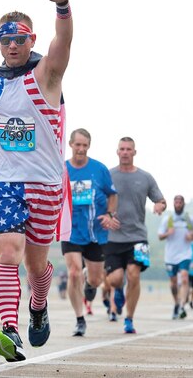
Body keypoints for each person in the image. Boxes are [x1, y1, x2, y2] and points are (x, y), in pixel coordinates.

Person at [0, 0, 72, 362]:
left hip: (45, 183)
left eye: (20, 39)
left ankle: (38, 305)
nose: (13, 45)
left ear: (31, 39)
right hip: (4, 182)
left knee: (36, 265)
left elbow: (63, 43)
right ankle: (9, 329)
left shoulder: (47, 74)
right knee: (8, 253)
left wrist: (63, 6)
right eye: (6, 39)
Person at [105, 137, 167, 334]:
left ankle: (129, 319)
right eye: (122, 149)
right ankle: (118, 292)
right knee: (115, 280)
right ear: (117, 152)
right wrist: (105, 217)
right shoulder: (108, 175)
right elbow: (95, 199)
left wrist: (159, 205)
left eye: (128, 149)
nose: (125, 152)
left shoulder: (145, 177)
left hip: (138, 236)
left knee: (134, 275)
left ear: (134, 152)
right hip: (112, 237)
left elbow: (161, 200)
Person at [63, 128, 119, 337]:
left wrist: (110, 214)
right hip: (70, 230)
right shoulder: (62, 169)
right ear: (70, 145)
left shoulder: (99, 169)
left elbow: (112, 195)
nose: (81, 149)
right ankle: (79, 319)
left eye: (84, 145)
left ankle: (89, 280)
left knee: (96, 280)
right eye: (77, 145)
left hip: (96, 232)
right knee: (73, 271)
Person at [157, 195, 193, 319]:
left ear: (184, 204)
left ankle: (182, 306)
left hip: (185, 253)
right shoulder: (168, 219)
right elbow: (159, 236)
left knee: (185, 278)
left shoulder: (189, 219)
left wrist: (192, 236)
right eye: (176, 202)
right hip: (170, 256)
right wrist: (167, 233)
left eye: (180, 202)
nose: (178, 204)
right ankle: (176, 302)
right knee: (173, 283)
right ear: (173, 204)